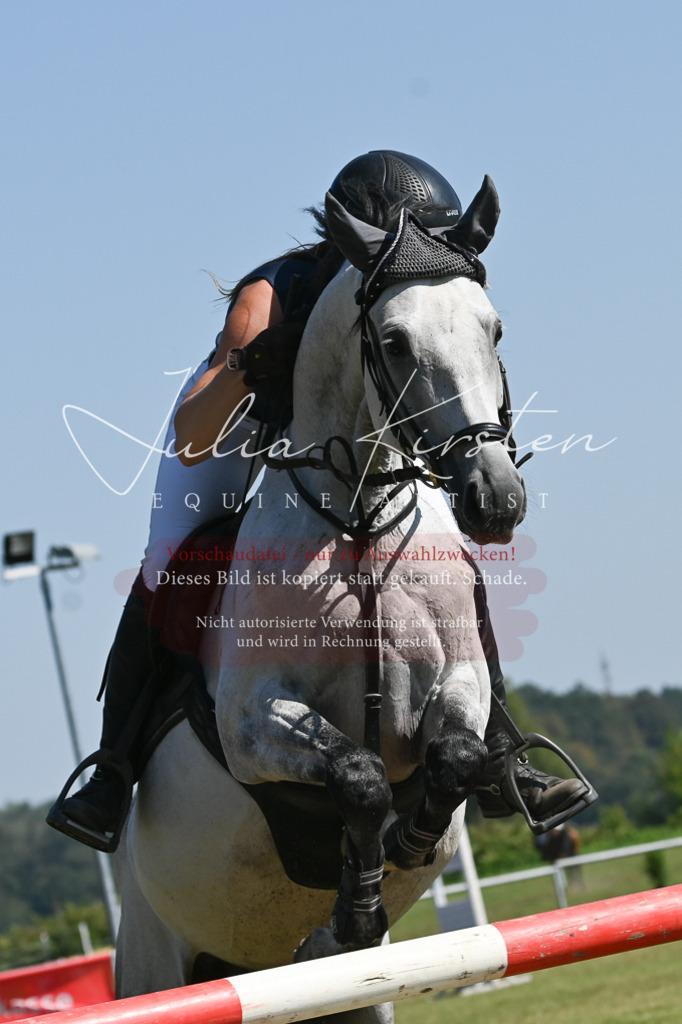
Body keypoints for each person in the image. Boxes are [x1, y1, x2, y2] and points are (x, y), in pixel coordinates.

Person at [47, 150, 594, 852]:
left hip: (366, 427)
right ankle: (112, 771)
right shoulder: (270, 296)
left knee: (446, 556)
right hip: (241, 423)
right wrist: (250, 359)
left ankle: (500, 746)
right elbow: (192, 437)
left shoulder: (422, 295)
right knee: (170, 562)